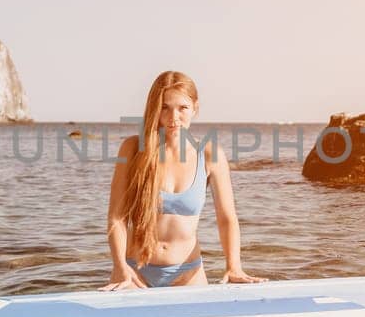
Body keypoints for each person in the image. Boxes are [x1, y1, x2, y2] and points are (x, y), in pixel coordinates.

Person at [102, 71, 265, 290]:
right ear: (154, 108)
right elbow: (116, 218)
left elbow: (227, 218)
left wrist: (233, 266)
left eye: (183, 108)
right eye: (165, 107)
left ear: (195, 108)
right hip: (133, 272)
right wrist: (120, 266)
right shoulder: (132, 149)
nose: (173, 117)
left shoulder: (208, 153)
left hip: (187, 274)